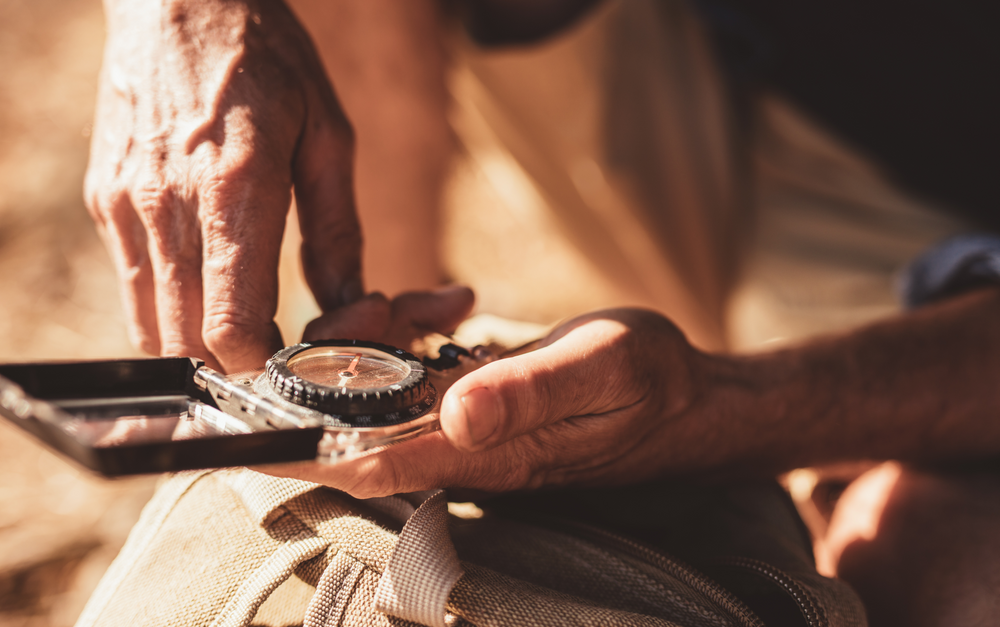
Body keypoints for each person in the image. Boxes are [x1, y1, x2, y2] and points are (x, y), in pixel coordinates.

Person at [83, 0, 1000, 624]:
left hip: (950, 278)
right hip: (708, 73)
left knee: (952, 577)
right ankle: (379, 398)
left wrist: (731, 409)